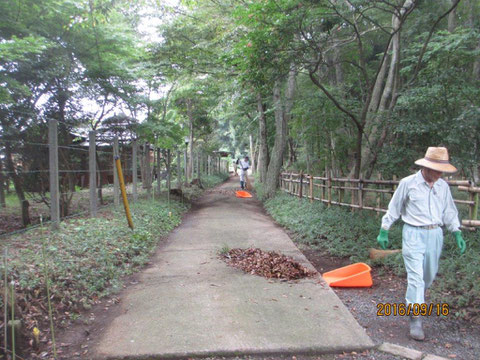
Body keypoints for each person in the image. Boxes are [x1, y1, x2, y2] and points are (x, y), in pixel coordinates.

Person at [376, 147, 466, 341]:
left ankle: (416, 299)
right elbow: (394, 207)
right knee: (416, 277)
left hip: (435, 234)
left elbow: (449, 211)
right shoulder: (408, 183)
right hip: (413, 233)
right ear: (426, 167)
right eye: (436, 169)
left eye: (442, 170)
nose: (440, 174)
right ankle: (415, 318)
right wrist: (385, 229)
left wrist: (456, 231)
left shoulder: (442, 186)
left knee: (428, 275)